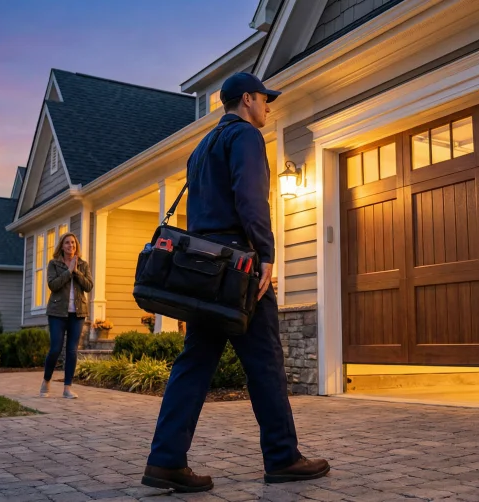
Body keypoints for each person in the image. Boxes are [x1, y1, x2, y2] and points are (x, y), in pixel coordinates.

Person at [141, 72, 330, 493]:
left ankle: (165, 461)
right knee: (265, 363)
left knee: (193, 364)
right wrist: (265, 254)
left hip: (205, 269)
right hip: (239, 270)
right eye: (265, 100)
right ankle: (283, 458)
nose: (269, 106)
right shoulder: (244, 137)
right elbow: (250, 200)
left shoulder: (202, 148)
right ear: (247, 100)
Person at [40, 232, 93, 399]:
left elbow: (89, 286)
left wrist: (76, 271)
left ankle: (67, 388)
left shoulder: (83, 264)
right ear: (62, 246)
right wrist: (68, 272)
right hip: (57, 312)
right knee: (55, 349)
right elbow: (53, 285)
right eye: (68, 243)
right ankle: (46, 380)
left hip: (77, 313)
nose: (71, 245)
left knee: (72, 351)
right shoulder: (54, 264)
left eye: (73, 243)